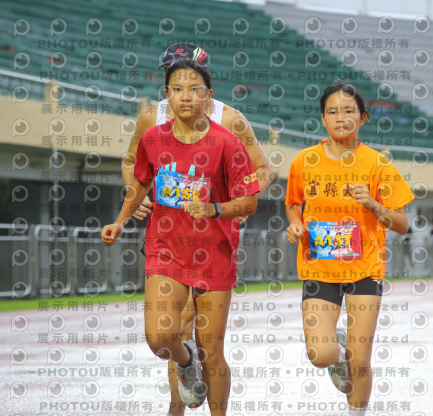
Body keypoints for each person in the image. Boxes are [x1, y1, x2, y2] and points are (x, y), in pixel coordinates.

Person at [122, 43, 275, 416]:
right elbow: (131, 161)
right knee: (170, 332)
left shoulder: (230, 119)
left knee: (202, 340)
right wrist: (135, 195)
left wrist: (235, 203)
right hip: (167, 238)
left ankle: (188, 405)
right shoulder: (151, 118)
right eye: (171, 72)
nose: (179, 81)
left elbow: (264, 169)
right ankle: (179, 403)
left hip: (212, 240)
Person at [285, 81, 414, 415]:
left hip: (364, 269)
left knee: (361, 359)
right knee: (320, 355)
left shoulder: (378, 164)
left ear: (363, 117)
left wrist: (373, 204)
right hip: (319, 268)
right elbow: (293, 204)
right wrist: (296, 225)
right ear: (322, 119)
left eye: (348, 111)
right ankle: (338, 352)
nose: (340, 118)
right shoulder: (304, 161)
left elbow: (402, 224)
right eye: (332, 111)